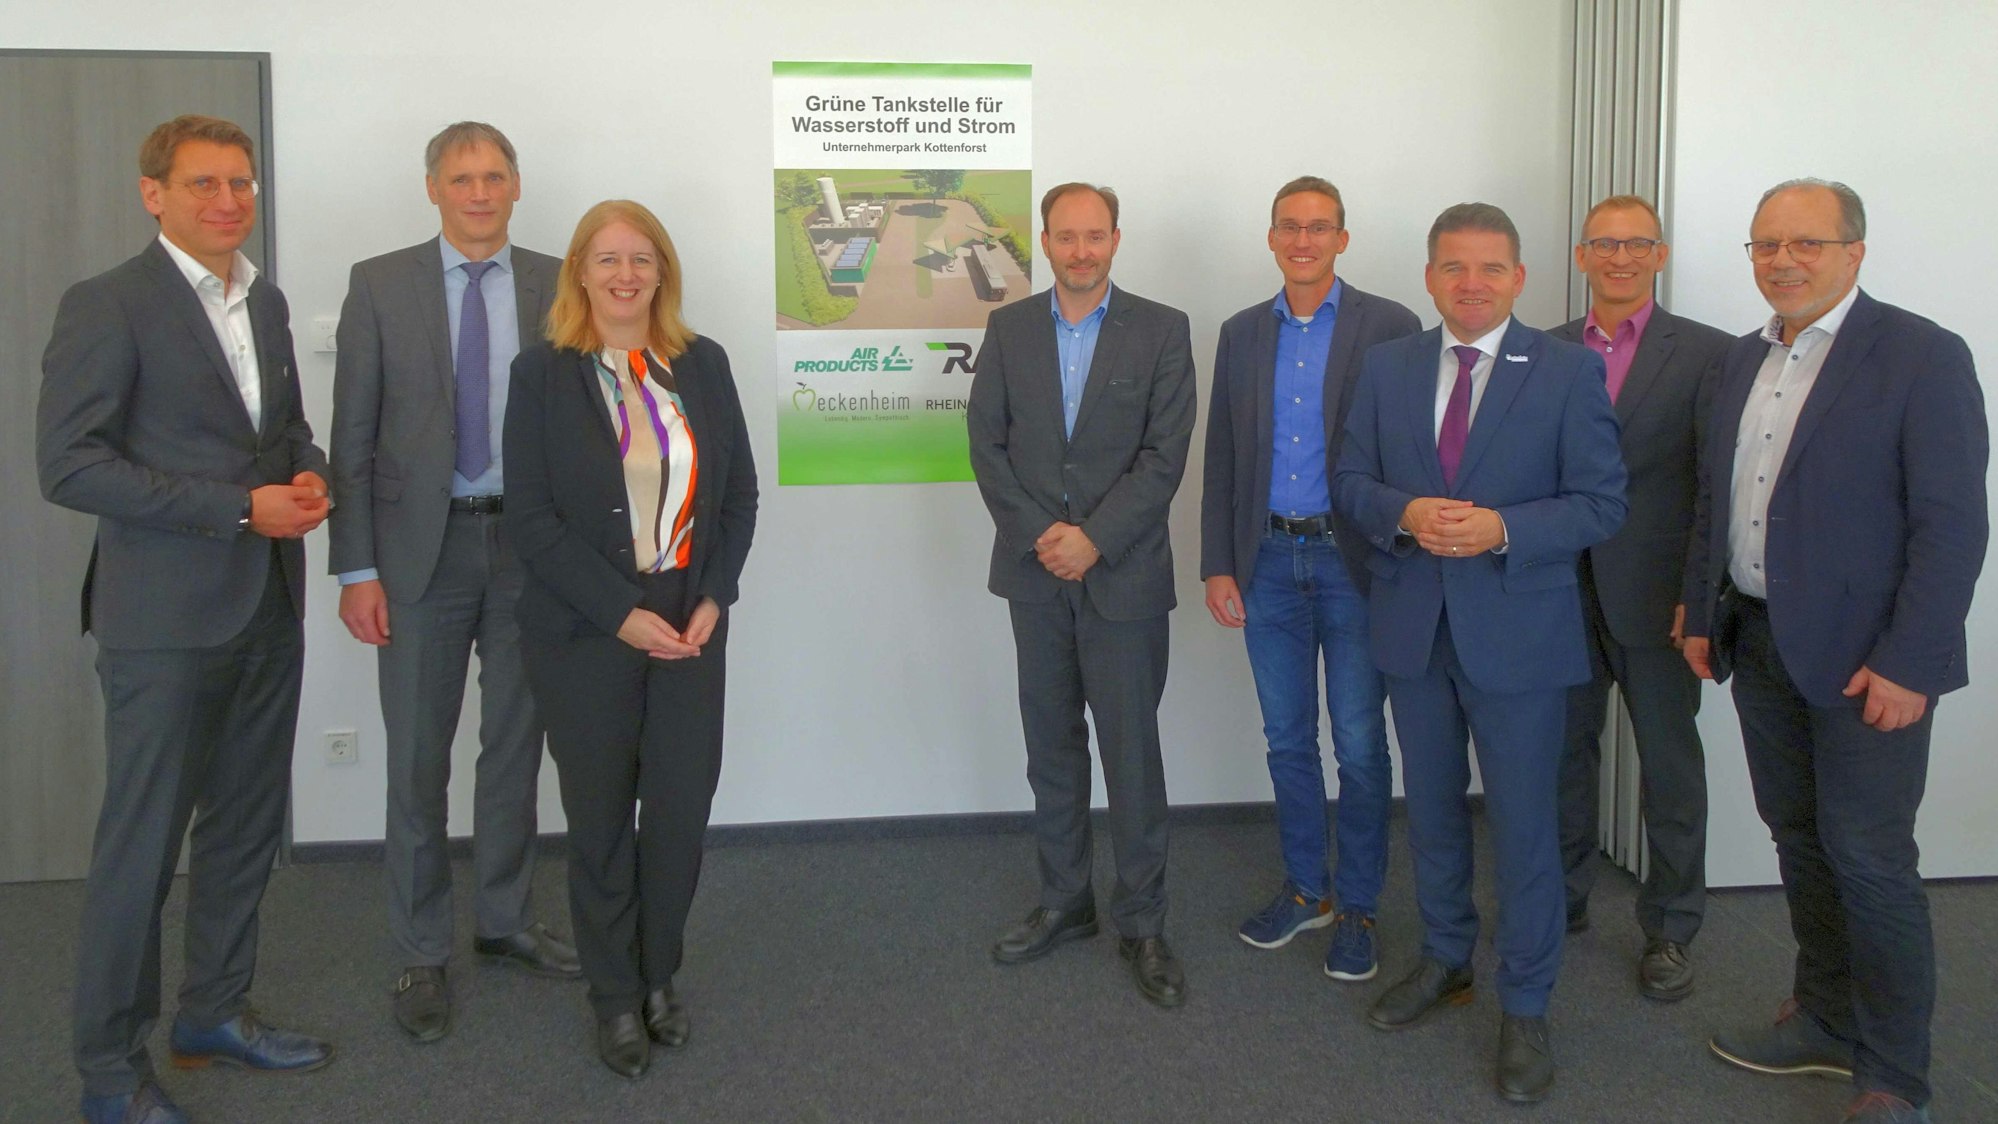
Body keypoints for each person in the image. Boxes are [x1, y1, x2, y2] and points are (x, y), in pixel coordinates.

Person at [37, 114, 335, 1124]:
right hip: (162, 621)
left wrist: (309, 473)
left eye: (241, 183)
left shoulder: (267, 298)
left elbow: (284, 430)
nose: (227, 201)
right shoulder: (108, 304)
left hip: (267, 606)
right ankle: (110, 1071)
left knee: (244, 829)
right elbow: (69, 464)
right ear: (152, 192)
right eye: (204, 183)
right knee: (141, 846)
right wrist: (236, 509)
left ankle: (212, 1011)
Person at [1687, 179, 1987, 1124]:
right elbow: (1715, 499)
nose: (1784, 259)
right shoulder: (1741, 361)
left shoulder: (1922, 355)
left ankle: (1895, 1076)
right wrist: (1701, 610)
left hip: (1869, 663)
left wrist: (1913, 662)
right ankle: (1823, 1015)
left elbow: (1953, 527)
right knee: (1800, 841)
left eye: (1807, 243)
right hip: (1760, 638)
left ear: (1855, 251)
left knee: (1869, 859)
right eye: (1767, 243)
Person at [1332, 202, 1626, 1103]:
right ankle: (1447, 959)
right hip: (1414, 631)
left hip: (1522, 638)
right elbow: (1349, 480)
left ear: (1520, 278)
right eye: (1454, 267)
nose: (1471, 282)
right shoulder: (1388, 366)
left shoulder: (1570, 371)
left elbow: (1601, 502)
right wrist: (1403, 514)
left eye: (1490, 268)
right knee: (1429, 812)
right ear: (1429, 276)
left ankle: (1527, 1002)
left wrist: (1503, 526)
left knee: (1527, 827)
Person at [327, 121, 578, 1044]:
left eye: (496, 176)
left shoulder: (561, 279)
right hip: (416, 554)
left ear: (517, 185)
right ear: (432, 187)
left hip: (530, 550)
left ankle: (505, 919)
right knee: (418, 756)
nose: (480, 192)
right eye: (462, 177)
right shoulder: (379, 283)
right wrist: (356, 566)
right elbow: (350, 434)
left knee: (515, 747)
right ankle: (420, 947)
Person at [503, 199, 757, 1079]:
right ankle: (614, 998)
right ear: (580, 272)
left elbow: (739, 499)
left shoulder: (705, 364)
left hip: (691, 622)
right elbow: (532, 520)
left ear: (662, 272)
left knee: (680, 815)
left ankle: (658, 976)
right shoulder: (542, 375)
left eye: (641, 259)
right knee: (602, 819)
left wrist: (715, 596)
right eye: (606, 259)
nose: (624, 275)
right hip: (585, 630)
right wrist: (619, 611)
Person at [967, 183, 1196, 1007]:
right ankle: (1067, 901)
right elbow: (986, 446)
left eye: (1094, 235)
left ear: (1115, 239)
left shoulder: (1164, 330)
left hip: (1124, 576)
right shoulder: (1009, 328)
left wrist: (1094, 538)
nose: (1080, 250)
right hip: (1035, 576)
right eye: (1066, 236)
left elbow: (1164, 458)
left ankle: (1144, 922)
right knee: (1052, 747)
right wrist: (1043, 536)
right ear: (1046, 241)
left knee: (1131, 755)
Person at [1199, 176, 1419, 978]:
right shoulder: (1241, 333)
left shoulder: (1390, 325)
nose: (1303, 240)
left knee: (1360, 746)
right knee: (1288, 740)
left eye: (1319, 227)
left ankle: (1358, 904)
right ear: (1271, 237)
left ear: (1342, 239)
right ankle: (1306, 891)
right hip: (1265, 563)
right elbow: (1223, 452)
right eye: (1290, 226)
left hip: (1352, 562)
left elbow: (1410, 449)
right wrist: (1218, 561)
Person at [1552, 194, 1731, 999]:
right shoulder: (1545, 351)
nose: (1619, 258)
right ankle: (1560, 900)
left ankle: (1670, 927)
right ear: (1581, 256)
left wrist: (1702, 597)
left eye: (1637, 245)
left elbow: (1714, 492)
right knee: (1561, 757)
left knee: (1669, 767)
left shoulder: (1709, 356)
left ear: (1659, 256)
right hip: (1558, 595)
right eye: (1604, 244)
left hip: (1660, 602)